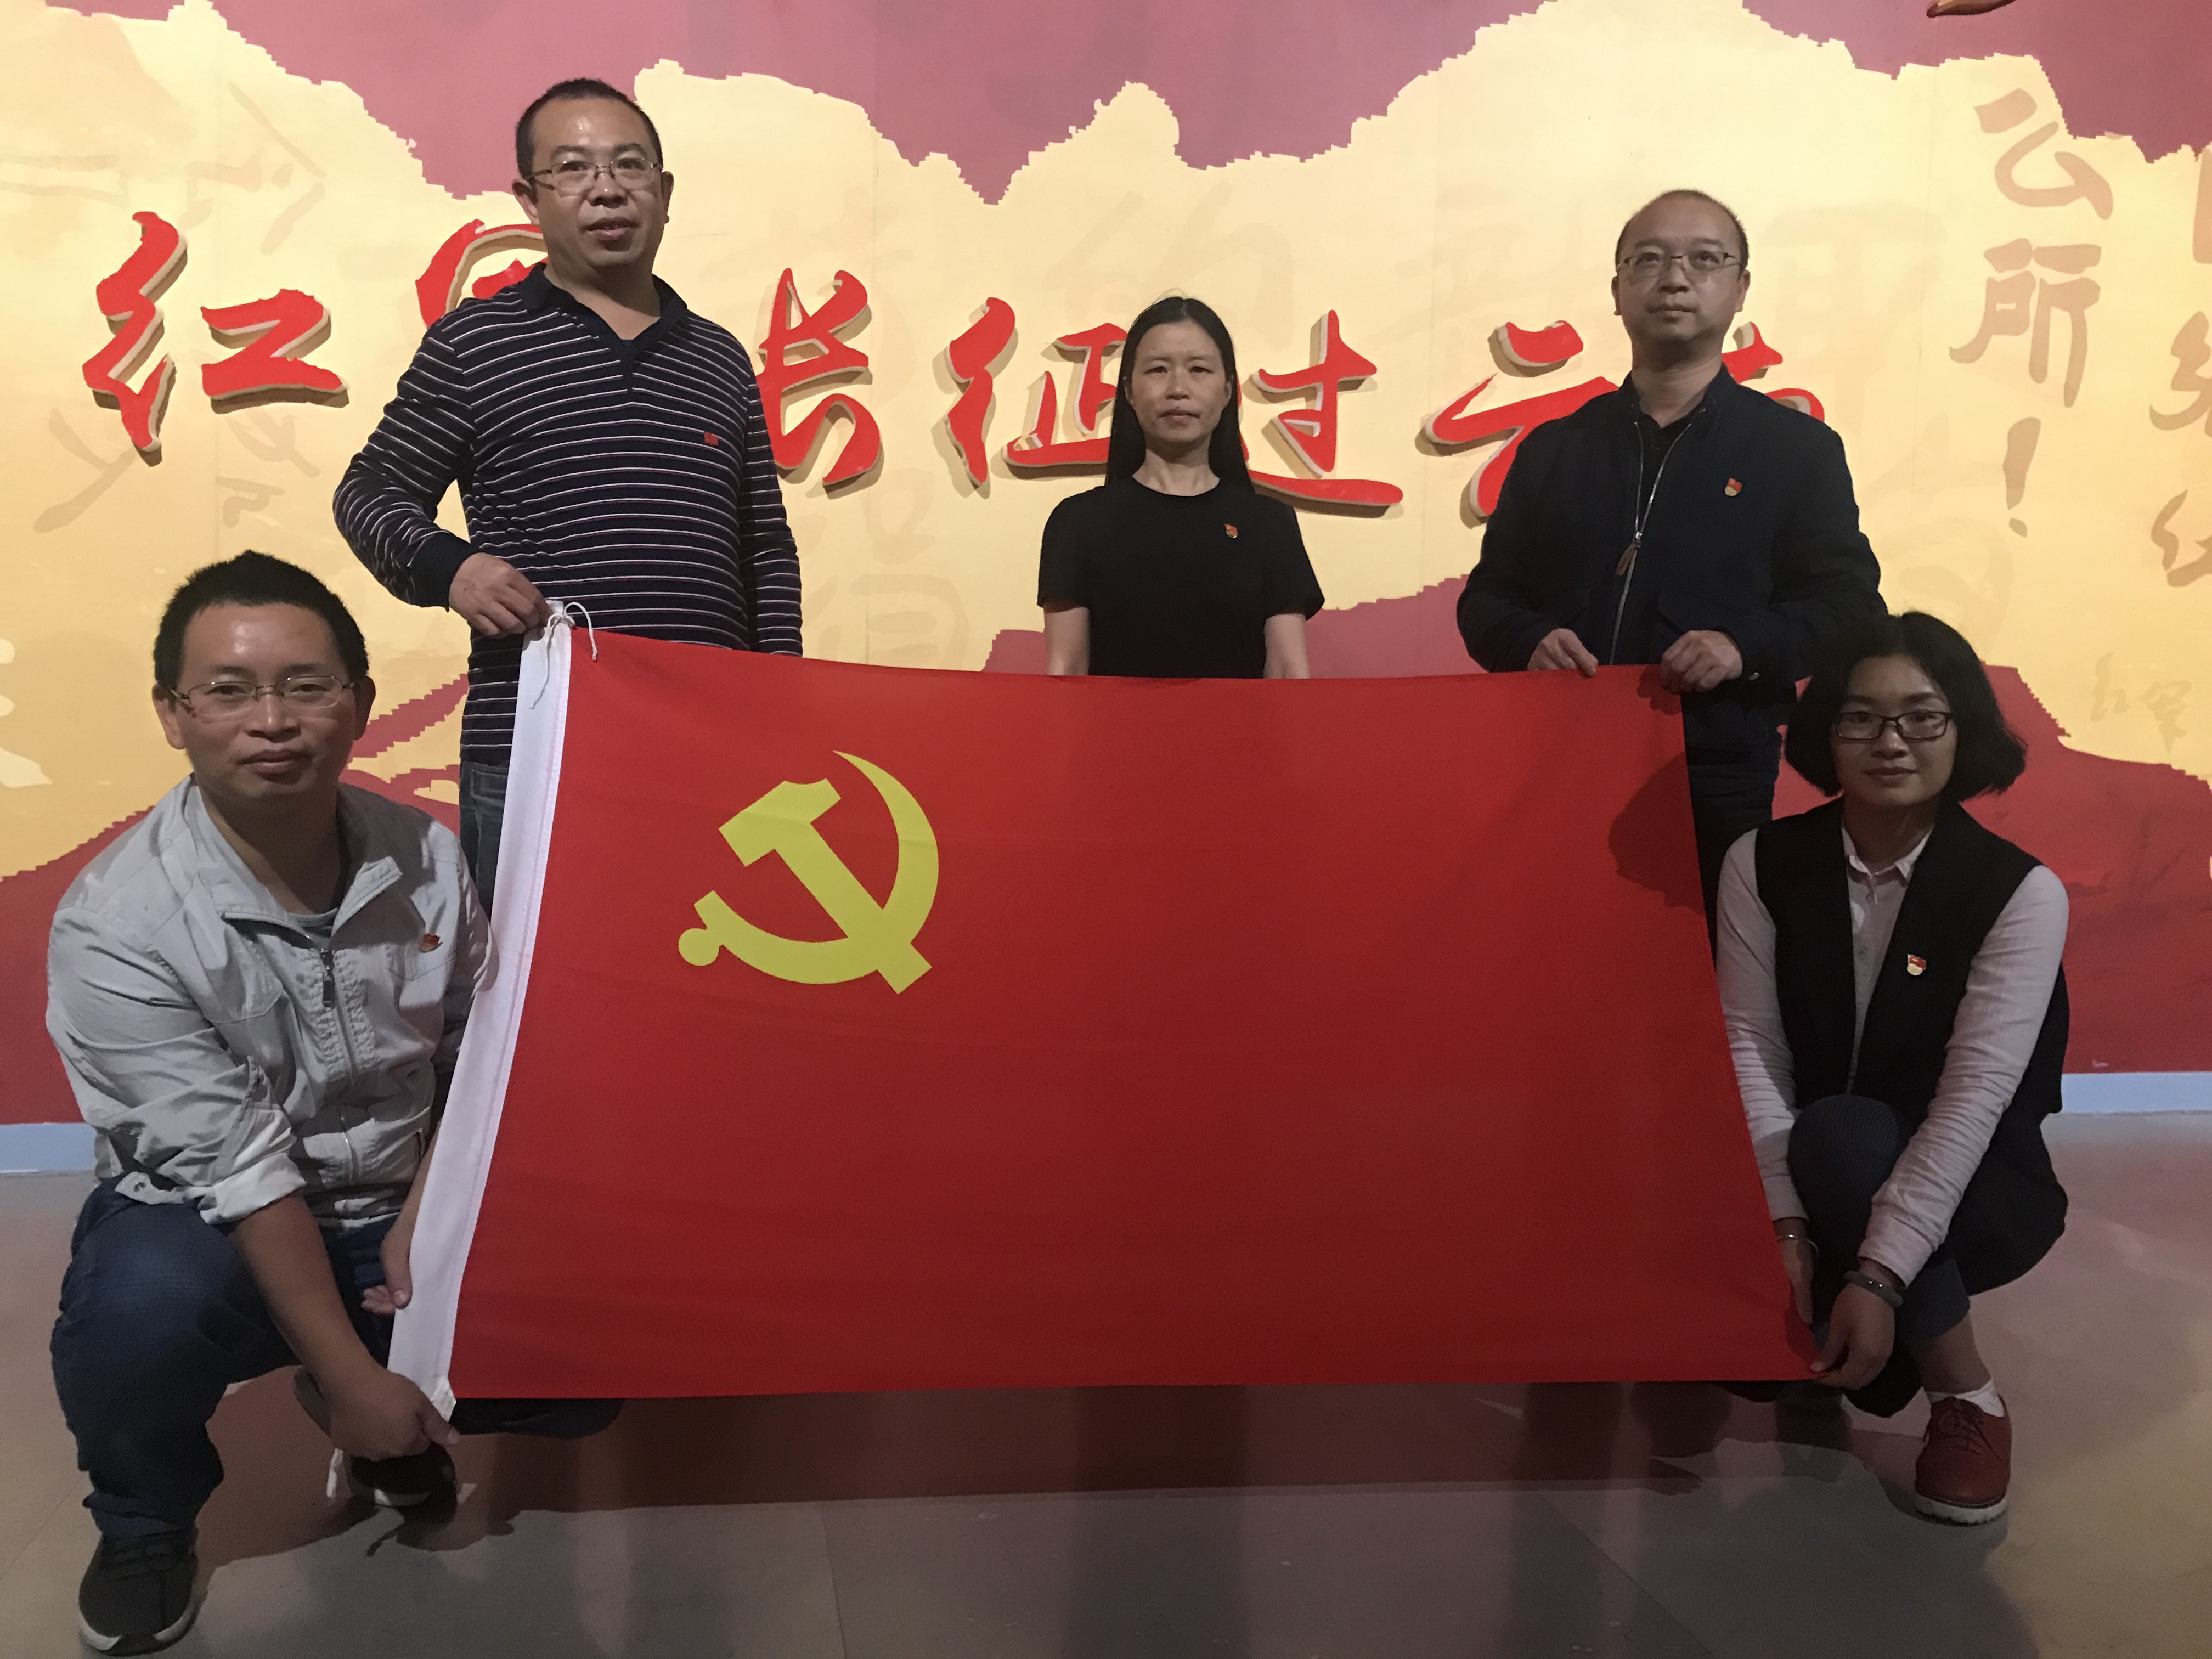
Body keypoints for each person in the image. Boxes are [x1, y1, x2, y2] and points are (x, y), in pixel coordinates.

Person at [47, 554, 616, 1655]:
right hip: (210, 1216)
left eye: (307, 686)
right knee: (137, 1317)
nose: (273, 721)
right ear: (172, 714)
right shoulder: (115, 921)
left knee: (583, 1363)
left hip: (398, 1184)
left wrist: (429, 1215)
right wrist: (361, 1380)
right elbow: (239, 1168)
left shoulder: (426, 854)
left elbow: (477, 1050)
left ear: (357, 703)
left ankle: (378, 1402)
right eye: (228, 690)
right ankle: (145, 1521)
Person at [336, 77, 802, 906]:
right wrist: (453, 570)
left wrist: (783, 701)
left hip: (712, 746)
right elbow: (370, 492)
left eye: (629, 165)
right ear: (530, 198)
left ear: (665, 191)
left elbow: (762, 545)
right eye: (575, 169)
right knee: (531, 978)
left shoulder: (720, 359)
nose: (607, 189)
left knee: (704, 968)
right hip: (536, 744)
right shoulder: (477, 343)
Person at [1715, 611, 2068, 1524]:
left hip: (1969, 1179)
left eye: (1921, 716)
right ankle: (1837, 1322)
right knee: (1733, 1360)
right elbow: (1752, 1046)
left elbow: (1973, 1101)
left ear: (1963, 729)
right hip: (1805, 1165)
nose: (1890, 741)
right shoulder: (1762, 861)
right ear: (1827, 731)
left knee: (1846, 1131)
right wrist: (1782, 1228)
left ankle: (1965, 1395)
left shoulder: (2020, 892)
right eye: (1861, 717)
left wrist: (1877, 1276)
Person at [1455, 189, 1884, 919]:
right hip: (1556, 764)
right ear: (1617, 290)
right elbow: (1488, 599)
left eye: (1705, 260)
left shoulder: (1794, 451)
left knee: (1703, 972)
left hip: (1711, 772)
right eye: (1648, 260)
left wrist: (1741, 646)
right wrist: (1527, 640)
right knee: (1551, 958)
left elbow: (1849, 606)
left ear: (1741, 288)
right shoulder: (1557, 448)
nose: (1676, 278)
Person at [1039, 295, 1322, 679]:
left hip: (1240, 723)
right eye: (1158, 369)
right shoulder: (1079, 522)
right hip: (1113, 723)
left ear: (1227, 391)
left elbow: (1288, 671)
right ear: (1129, 391)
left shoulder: (1270, 525)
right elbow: (1067, 669)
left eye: (1199, 370)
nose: (1178, 389)